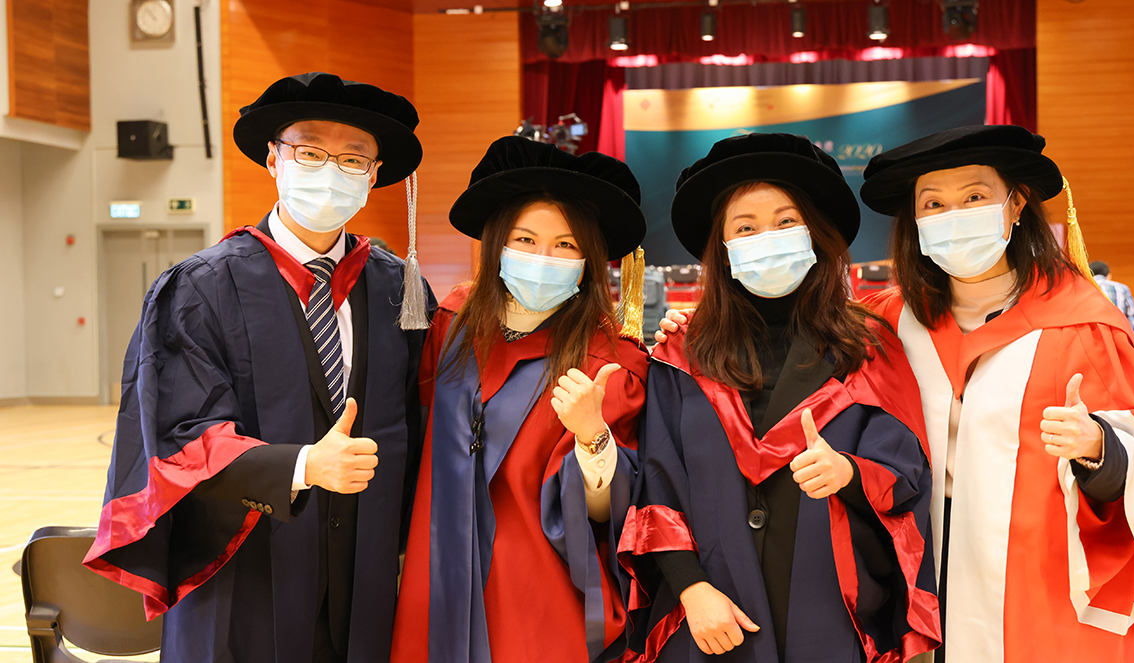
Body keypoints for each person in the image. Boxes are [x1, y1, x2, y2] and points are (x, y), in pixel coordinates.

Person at [84, 72, 435, 663]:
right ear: (274, 159)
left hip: (367, 581)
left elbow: (427, 425)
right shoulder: (201, 288)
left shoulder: (401, 290)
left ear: (374, 175)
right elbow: (179, 435)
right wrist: (301, 465)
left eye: (353, 159)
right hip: (241, 578)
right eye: (310, 152)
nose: (331, 171)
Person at [856, 125, 1134, 662]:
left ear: (1016, 205)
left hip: (1038, 582)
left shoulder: (1082, 325)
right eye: (933, 204)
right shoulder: (887, 323)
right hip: (917, 569)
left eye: (974, 198)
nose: (953, 216)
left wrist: (1097, 447)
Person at [624, 133, 939, 663]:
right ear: (722, 248)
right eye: (745, 227)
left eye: (786, 221)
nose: (766, 238)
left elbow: (906, 471)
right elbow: (657, 483)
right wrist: (691, 589)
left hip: (829, 610)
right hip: (709, 619)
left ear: (815, 234)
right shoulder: (681, 354)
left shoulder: (867, 347)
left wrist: (849, 473)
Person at [391, 136, 650, 663]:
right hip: (437, 578)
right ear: (497, 244)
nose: (542, 258)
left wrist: (592, 438)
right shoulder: (452, 325)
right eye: (525, 239)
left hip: (537, 592)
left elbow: (609, 513)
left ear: (589, 260)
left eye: (566, 245)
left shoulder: (610, 361)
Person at [1090, 260, 1134, 332]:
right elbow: (1132, 317)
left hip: (1092, 334)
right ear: (1108, 275)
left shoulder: (1083, 288)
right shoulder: (1122, 288)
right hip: (1118, 333)